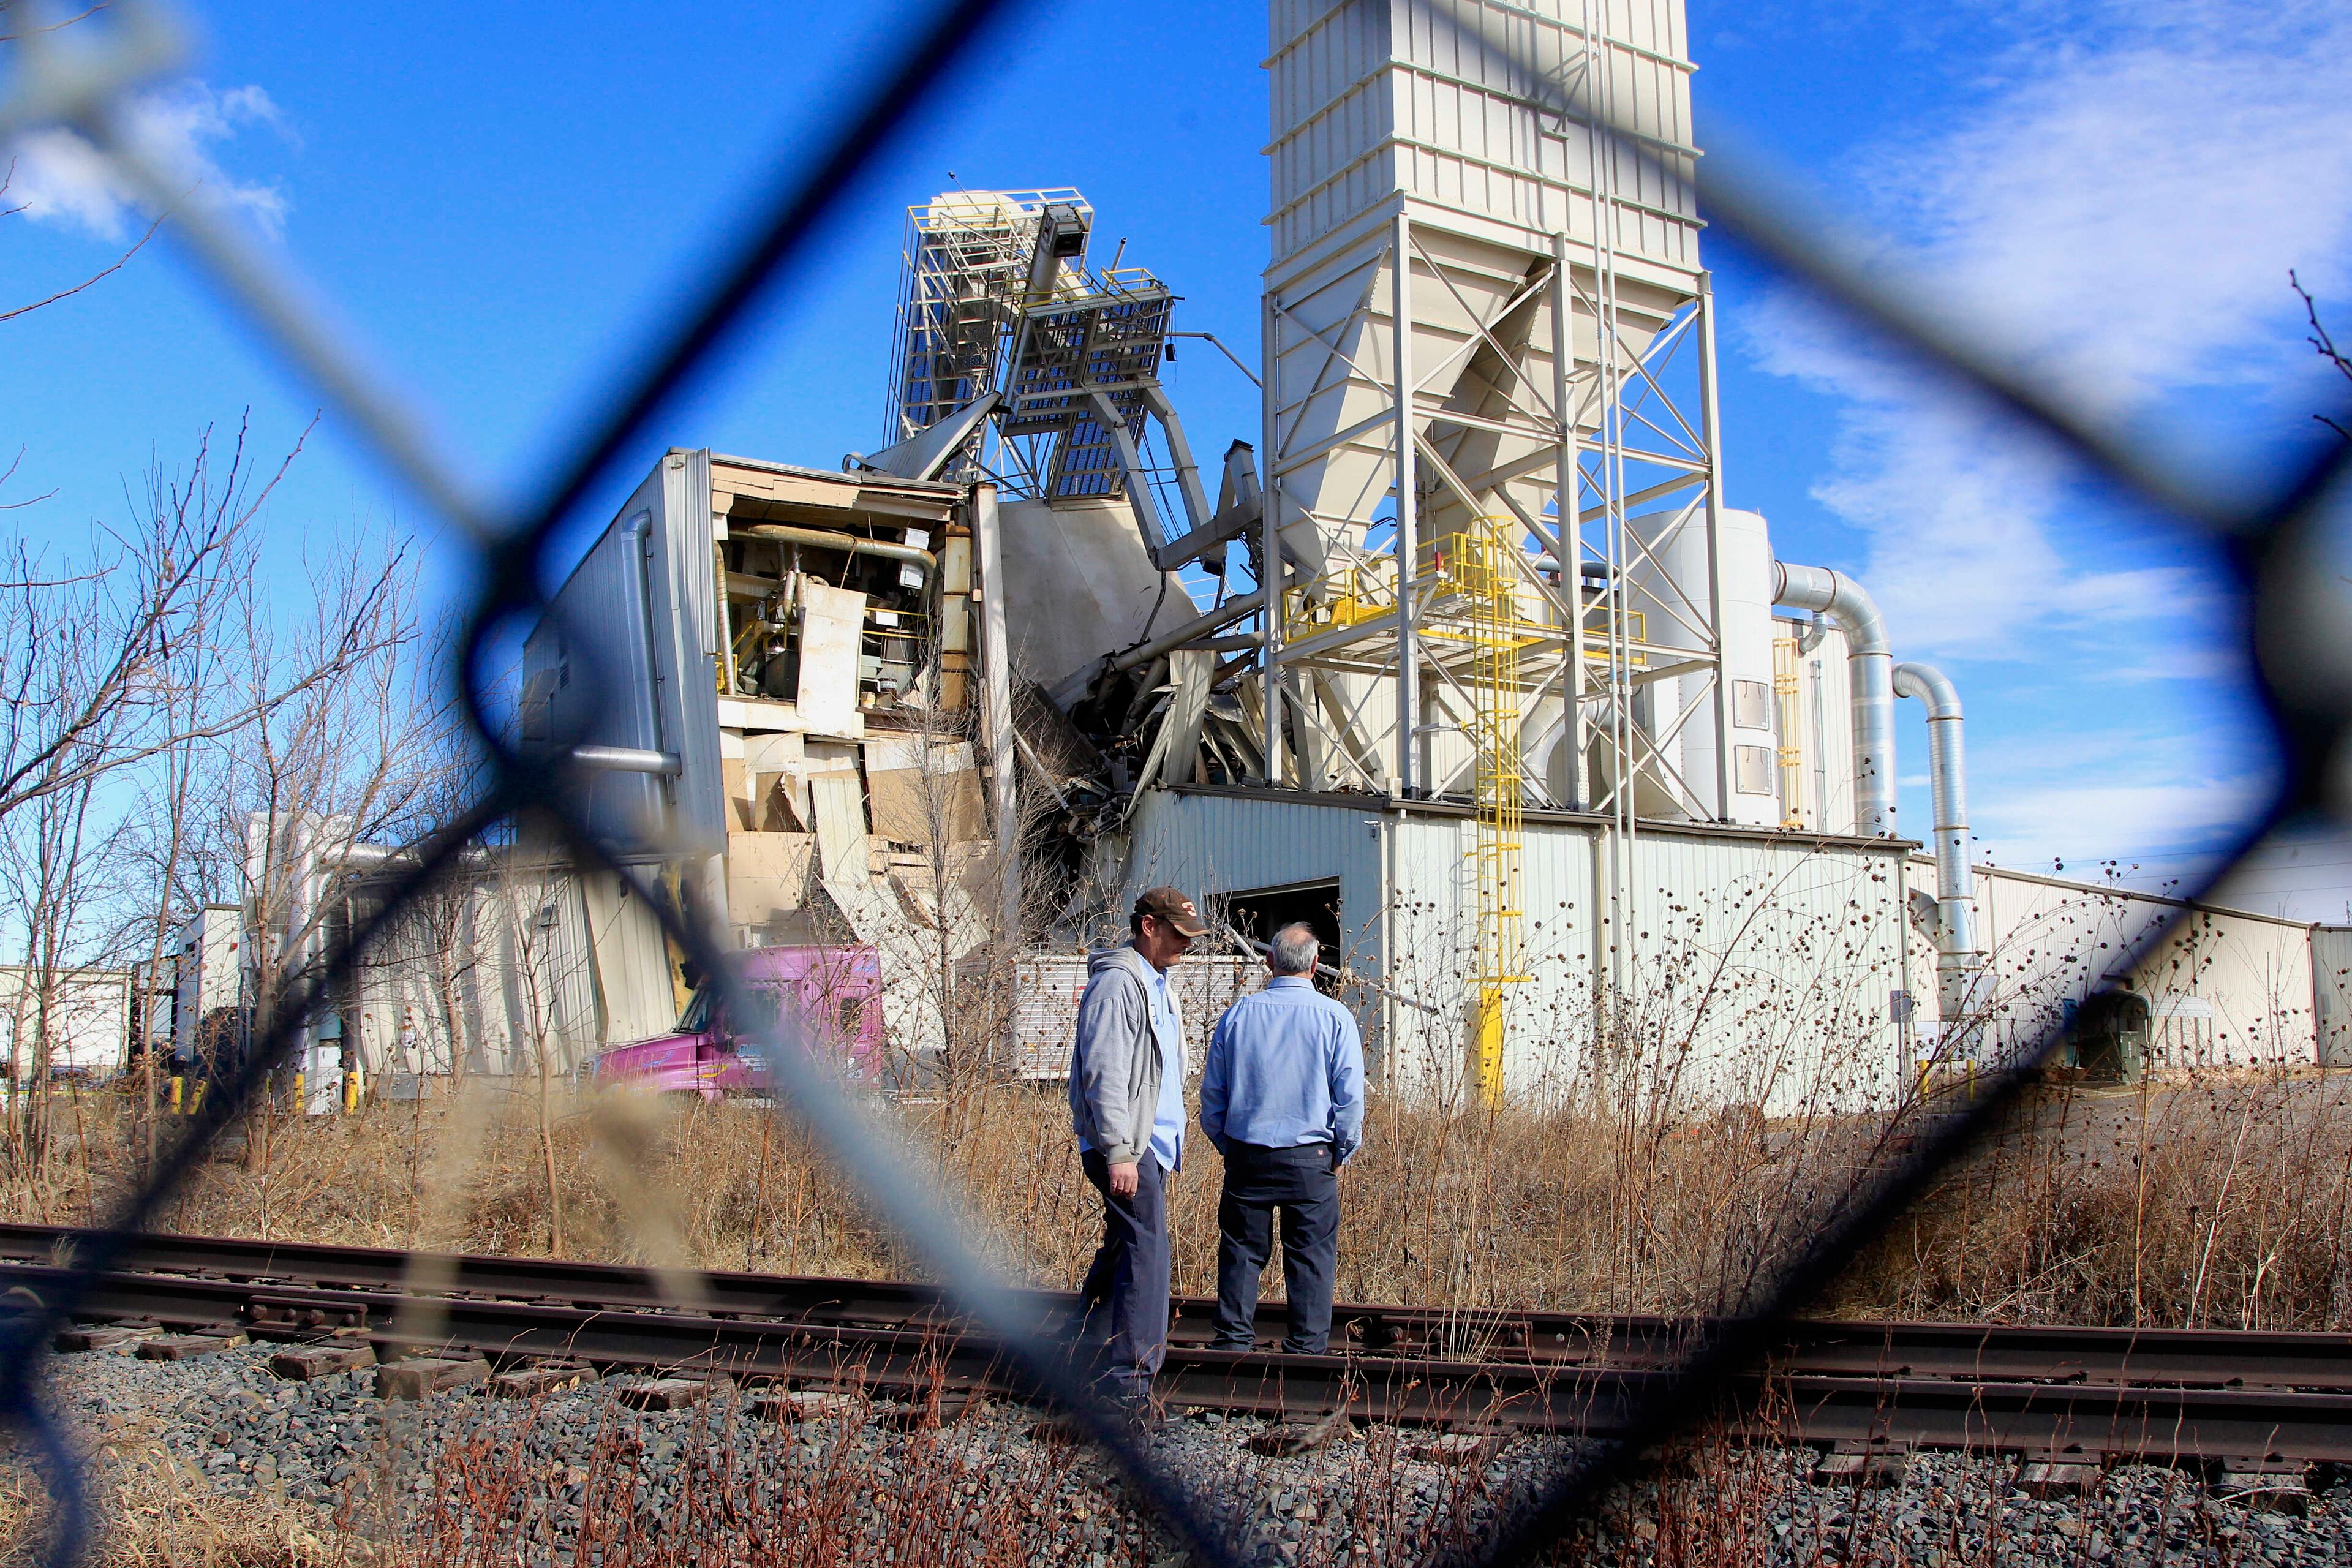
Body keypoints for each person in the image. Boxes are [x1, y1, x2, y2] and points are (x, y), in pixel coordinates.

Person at [1069, 884, 1208, 1416]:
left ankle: (1079, 1345)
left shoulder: (1156, 981)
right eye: (1178, 935)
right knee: (1148, 1251)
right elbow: (1103, 1071)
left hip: (1148, 1142)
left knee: (1126, 1246)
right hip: (1129, 1144)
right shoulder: (1118, 985)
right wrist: (1120, 1151)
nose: (1186, 946)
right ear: (1148, 926)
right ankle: (1130, 1382)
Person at [1197, 922, 1365, 1354]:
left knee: (1241, 1252)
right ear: (1315, 965)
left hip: (1247, 1154)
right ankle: (1307, 1351)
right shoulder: (1335, 1017)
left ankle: (1233, 1345)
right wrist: (1342, 1150)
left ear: (1269, 963)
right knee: (1310, 1257)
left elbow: (1212, 1094)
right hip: (1312, 1157)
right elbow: (1349, 1097)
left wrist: (1227, 1144)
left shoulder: (1238, 1015)